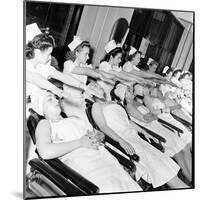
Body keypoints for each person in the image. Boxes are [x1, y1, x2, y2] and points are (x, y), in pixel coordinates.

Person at [31, 89, 142, 193]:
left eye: (55, 97)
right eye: (49, 99)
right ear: (40, 108)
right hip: (87, 167)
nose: (56, 100)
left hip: (106, 160)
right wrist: (80, 142)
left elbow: (98, 134)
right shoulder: (46, 124)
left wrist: (99, 136)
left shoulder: (74, 118)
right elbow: (45, 152)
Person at [91, 88, 190, 189]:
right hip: (124, 141)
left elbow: (129, 122)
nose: (96, 86)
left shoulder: (113, 103)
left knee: (163, 160)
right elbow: (103, 127)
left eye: (96, 84)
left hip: (135, 137)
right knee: (157, 165)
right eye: (93, 85)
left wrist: (143, 132)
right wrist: (121, 141)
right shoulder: (96, 106)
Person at [26, 23, 96, 102]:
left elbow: (63, 77)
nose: (50, 57)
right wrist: (56, 90)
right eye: (48, 54)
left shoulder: (43, 67)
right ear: (37, 52)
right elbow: (34, 78)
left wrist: (84, 86)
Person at [62, 36, 112, 123]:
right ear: (77, 53)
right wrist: (99, 76)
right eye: (86, 54)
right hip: (69, 102)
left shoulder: (82, 65)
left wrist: (105, 75)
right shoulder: (68, 64)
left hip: (81, 101)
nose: (88, 57)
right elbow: (86, 71)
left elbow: (94, 70)